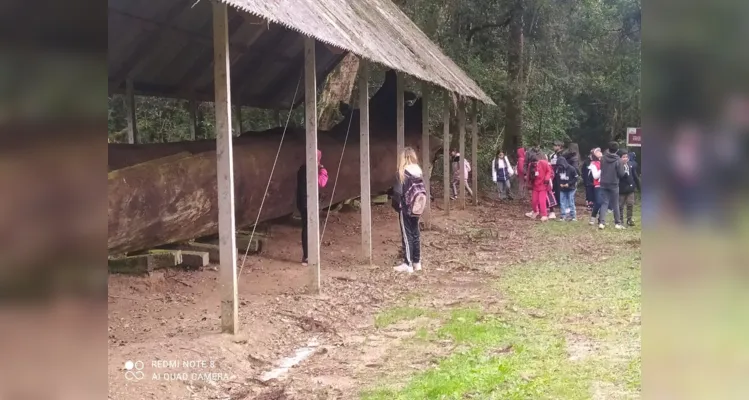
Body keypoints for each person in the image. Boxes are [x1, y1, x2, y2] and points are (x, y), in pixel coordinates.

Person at [391, 147, 424, 273]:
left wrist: (397, 207)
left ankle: (408, 264)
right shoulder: (418, 171)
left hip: (405, 208)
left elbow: (398, 192)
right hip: (417, 207)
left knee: (407, 235)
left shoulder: (402, 172)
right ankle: (417, 262)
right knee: (416, 233)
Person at [296, 149, 329, 266]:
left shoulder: (302, 169)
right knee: (309, 228)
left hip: (302, 202)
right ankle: (307, 256)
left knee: (307, 227)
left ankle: (308, 254)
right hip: (308, 203)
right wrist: (323, 170)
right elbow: (322, 182)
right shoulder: (311, 170)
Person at [597, 142, 627, 229]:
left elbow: (602, 168)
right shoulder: (618, 160)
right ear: (617, 150)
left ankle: (601, 223)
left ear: (608, 149)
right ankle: (617, 223)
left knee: (604, 203)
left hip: (603, 182)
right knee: (615, 204)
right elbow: (621, 174)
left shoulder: (603, 158)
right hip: (614, 183)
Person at [525, 152, 553, 221]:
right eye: (533, 162)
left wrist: (546, 179)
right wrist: (528, 184)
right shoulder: (530, 165)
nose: (535, 164)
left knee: (542, 201)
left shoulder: (543, 163)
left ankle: (544, 215)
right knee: (534, 201)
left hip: (543, 185)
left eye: (536, 162)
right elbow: (528, 175)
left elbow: (549, 171)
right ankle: (535, 211)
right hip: (535, 186)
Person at [618, 152, 641, 226]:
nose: (625, 158)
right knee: (620, 206)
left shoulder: (630, 165)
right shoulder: (618, 166)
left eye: (626, 157)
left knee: (630, 204)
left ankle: (629, 219)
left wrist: (638, 186)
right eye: (623, 157)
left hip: (630, 188)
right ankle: (620, 220)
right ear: (620, 158)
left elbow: (635, 176)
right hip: (621, 189)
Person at [557, 155, 579, 221]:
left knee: (570, 201)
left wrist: (569, 184)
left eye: (560, 165)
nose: (560, 166)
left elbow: (576, 178)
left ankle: (573, 216)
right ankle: (563, 216)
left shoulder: (571, 169)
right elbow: (557, 178)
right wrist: (559, 184)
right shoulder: (559, 169)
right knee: (562, 202)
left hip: (571, 188)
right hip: (562, 188)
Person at [548, 141, 564, 219]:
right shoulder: (553, 155)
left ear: (559, 146)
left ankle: (561, 203)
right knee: (554, 188)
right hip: (553, 173)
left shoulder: (562, 154)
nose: (554, 147)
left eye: (555, 145)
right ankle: (555, 202)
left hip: (559, 174)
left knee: (559, 188)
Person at [588, 148, 603, 224]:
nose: (599, 152)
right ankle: (593, 217)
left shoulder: (604, 162)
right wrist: (602, 169)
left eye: (600, 151)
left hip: (606, 184)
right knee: (598, 202)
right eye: (597, 152)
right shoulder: (593, 164)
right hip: (598, 185)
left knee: (604, 202)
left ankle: (601, 219)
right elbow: (595, 176)